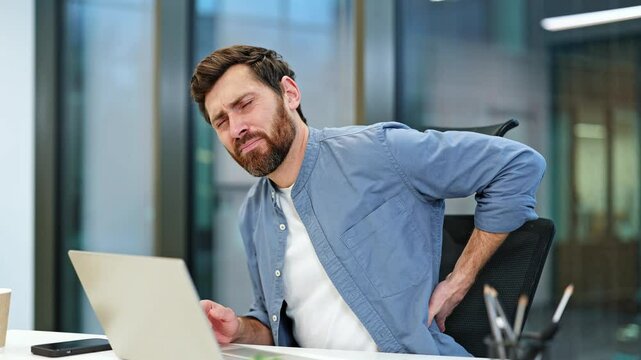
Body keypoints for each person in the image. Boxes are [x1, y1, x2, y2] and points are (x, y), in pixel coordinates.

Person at [190, 45, 545, 356]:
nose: (236, 127)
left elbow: (518, 164)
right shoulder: (252, 213)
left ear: (290, 93)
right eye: (221, 121)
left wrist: (460, 279)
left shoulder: (377, 152)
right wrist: (238, 328)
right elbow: (272, 324)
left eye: (245, 104)